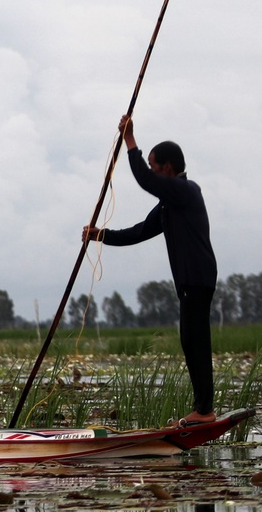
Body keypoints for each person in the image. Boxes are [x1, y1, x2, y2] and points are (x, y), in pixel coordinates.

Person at [83, 114, 217, 425]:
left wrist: (130, 141)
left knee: (196, 342)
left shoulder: (186, 191)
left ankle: (204, 411)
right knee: (190, 341)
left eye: (157, 167)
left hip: (198, 279)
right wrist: (100, 235)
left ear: (168, 169)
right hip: (189, 283)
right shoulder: (170, 204)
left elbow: (145, 180)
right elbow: (140, 231)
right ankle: (203, 409)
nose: (154, 174)